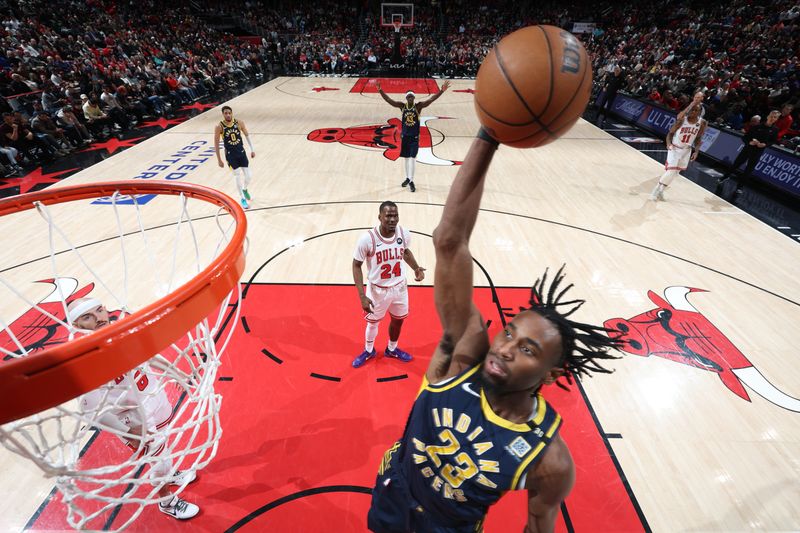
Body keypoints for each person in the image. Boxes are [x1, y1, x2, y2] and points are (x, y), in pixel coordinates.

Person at [366, 129, 621, 532]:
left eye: (528, 350)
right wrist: (490, 134)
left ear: (552, 375)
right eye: (509, 333)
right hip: (393, 494)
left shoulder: (548, 458)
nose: (505, 348)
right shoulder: (465, 357)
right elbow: (448, 240)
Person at [68, 298, 200, 520]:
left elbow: (146, 355)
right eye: (87, 317)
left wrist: (178, 372)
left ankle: (170, 473)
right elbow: (91, 411)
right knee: (155, 457)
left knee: (163, 447)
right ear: (76, 325)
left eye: (100, 310)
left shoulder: (119, 330)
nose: (99, 317)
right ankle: (167, 501)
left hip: (152, 396)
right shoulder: (80, 359)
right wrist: (127, 432)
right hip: (132, 417)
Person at [352, 201, 426, 368]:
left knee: (398, 320)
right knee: (373, 322)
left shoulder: (403, 233)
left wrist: (416, 268)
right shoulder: (367, 239)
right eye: (389, 216)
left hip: (400, 287)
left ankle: (391, 349)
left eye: (395, 215)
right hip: (377, 290)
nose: (393, 219)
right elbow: (356, 265)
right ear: (380, 217)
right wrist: (362, 295)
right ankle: (369, 350)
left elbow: (405, 252)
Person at [376, 80, 451, 192]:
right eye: (409, 96)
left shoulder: (419, 107)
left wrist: (441, 91)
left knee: (413, 159)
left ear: (414, 98)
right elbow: (389, 100)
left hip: (414, 137)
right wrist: (380, 90)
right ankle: (407, 178)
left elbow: (431, 100)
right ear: (406, 98)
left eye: (412, 96)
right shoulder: (402, 106)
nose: (410, 98)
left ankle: (411, 181)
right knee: (406, 159)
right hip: (405, 137)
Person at [651, 93, 707, 201]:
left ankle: (662, 189)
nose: (693, 112)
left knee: (675, 173)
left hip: (687, 150)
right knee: (671, 171)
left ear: (699, 112)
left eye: (696, 110)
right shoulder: (682, 120)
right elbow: (670, 133)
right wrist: (668, 144)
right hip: (675, 148)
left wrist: (696, 152)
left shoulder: (702, 123)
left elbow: (698, 139)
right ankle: (656, 189)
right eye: (692, 110)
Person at [715, 110, 780, 198]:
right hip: (748, 149)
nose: (772, 118)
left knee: (748, 170)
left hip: (758, 152)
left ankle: (740, 187)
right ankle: (725, 177)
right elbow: (745, 137)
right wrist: (749, 142)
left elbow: (772, 141)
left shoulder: (775, 130)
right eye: (772, 116)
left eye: (775, 117)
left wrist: (765, 144)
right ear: (768, 116)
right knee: (736, 164)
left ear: (777, 119)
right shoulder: (757, 126)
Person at [214, 105, 255, 209]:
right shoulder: (219, 126)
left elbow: (247, 135)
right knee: (237, 176)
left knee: (249, 176)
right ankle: (242, 198)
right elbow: (216, 144)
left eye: (229, 113)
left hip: (241, 152)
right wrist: (219, 159)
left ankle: (245, 189)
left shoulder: (239, 123)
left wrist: (252, 149)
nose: (227, 115)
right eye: (225, 113)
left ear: (232, 113)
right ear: (223, 114)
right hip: (230, 155)